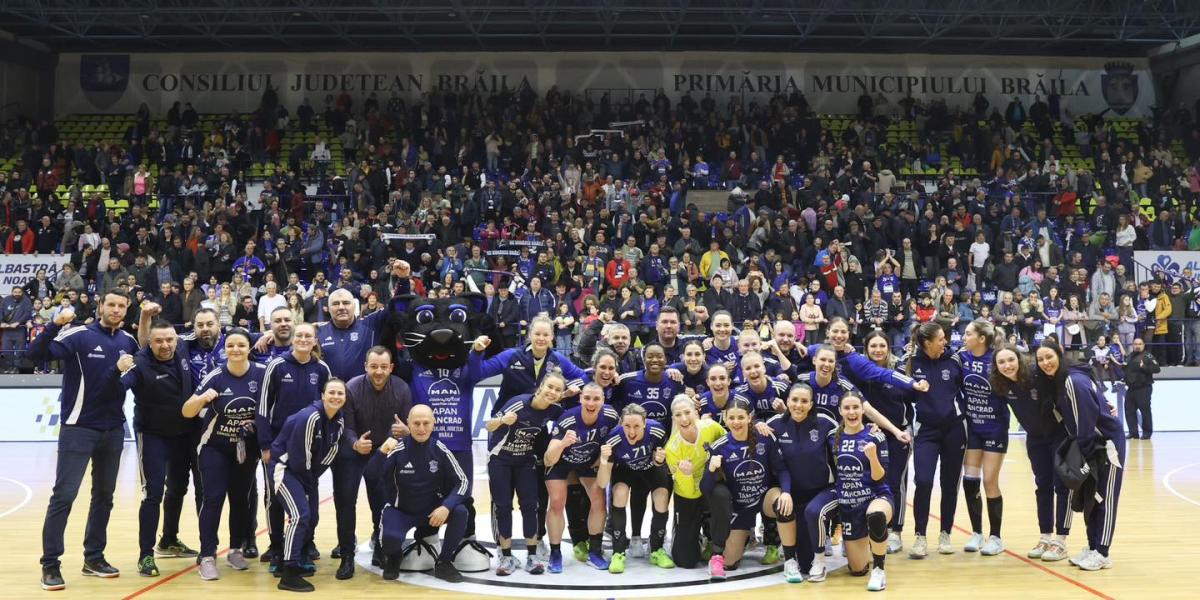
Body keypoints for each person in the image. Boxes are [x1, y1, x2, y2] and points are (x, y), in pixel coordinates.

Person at [29, 291, 139, 591]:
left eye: (121, 306)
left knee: (104, 497)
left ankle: (94, 558)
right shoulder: (78, 335)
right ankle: (50, 563)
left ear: (126, 309)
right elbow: (35, 354)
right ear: (100, 306)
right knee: (64, 496)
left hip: (113, 430)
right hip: (78, 428)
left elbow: (126, 383)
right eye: (111, 304)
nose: (115, 309)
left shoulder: (129, 342)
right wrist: (54, 324)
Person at [269, 378, 370, 592]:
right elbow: (299, 458)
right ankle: (288, 572)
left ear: (345, 398)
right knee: (299, 515)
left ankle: (296, 557)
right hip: (285, 469)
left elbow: (330, 453)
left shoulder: (339, 420)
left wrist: (311, 480)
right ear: (323, 396)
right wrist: (307, 485)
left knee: (312, 517)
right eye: (331, 392)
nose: (335, 397)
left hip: (307, 474)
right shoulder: (310, 417)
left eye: (340, 393)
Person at [181, 328, 265, 581]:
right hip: (214, 447)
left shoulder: (262, 373)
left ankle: (235, 550)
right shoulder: (216, 376)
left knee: (240, 499)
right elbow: (186, 411)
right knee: (214, 498)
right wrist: (201, 399)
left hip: (246, 448)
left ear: (249, 347)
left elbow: (272, 408)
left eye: (241, 345)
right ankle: (207, 555)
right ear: (224, 349)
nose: (235, 349)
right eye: (230, 345)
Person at [116, 319, 199, 577]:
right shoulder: (140, 363)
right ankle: (146, 555)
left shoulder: (182, 348)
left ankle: (169, 540)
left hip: (183, 434)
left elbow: (210, 332)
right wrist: (116, 370)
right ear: (149, 343)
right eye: (159, 341)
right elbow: (118, 387)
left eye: (169, 339)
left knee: (178, 488)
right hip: (152, 435)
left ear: (176, 340)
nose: (165, 345)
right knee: (153, 494)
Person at [1034, 340, 1125, 571]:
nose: (1045, 363)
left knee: (1105, 498)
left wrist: (1080, 457)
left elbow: (1084, 424)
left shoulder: (1072, 381)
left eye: (1049, 357)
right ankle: (1093, 547)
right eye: (1040, 359)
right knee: (1091, 498)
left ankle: (1102, 553)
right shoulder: (1064, 380)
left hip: (1106, 445)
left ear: (1060, 354)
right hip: (1090, 446)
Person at [257, 323, 332, 571]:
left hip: (309, 447)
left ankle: (304, 545)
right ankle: (277, 547)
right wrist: (265, 445)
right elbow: (263, 407)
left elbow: (329, 407)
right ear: (292, 339)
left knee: (309, 495)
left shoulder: (321, 369)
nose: (303, 339)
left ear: (315, 340)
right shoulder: (276, 366)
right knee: (274, 498)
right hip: (278, 446)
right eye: (299, 335)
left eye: (308, 336)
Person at [334, 346, 413, 578]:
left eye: (383, 367)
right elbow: (346, 427)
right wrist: (355, 443)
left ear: (391, 367)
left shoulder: (402, 389)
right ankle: (347, 555)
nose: (378, 371)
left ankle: (380, 547)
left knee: (382, 504)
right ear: (365, 367)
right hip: (353, 452)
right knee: (345, 503)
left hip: (384, 452)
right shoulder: (352, 388)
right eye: (374, 366)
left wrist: (401, 434)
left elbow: (403, 428)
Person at [991, 344, 1073, 562]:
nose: (1007, 365)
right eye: (1001, 362)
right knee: (1042, 486)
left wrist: (1103, 402)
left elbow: (1070, 375)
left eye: (1011, 360)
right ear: (996, 366)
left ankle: (1061, 540)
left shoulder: (1037, 375)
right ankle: (1045, 536)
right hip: (1035, 440)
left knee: (1061, 486)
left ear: (1019, 359)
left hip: (1059, 435)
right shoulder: (1001, 385)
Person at [701, 398, 794, 582]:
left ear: (749, 418)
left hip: (764, 496)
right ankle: (743, 537)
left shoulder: (764, 438)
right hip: (740, 506)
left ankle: (791, 560)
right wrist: (711, 470)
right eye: (732, 418)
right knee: (729, 563)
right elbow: (705, 489)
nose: (736, 422)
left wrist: (786, 492)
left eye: (741, 417)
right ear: (725, 419)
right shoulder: (720, 447)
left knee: (782, 505)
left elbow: (782, 469)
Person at [811, 390, 894, 591]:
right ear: (840, 411)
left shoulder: (876, 436)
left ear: (862, 410)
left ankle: (879, 571)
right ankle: (868, 543)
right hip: (848, 503)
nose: (851, 412)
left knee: (875, 515)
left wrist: (872, 457)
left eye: (855, 407)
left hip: (876, 495)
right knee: (857, 569)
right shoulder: (832, 436)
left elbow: (880, 477)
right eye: (846, 408)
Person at [376, 405, 469, 583]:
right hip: (401, 511)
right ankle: (394, 557)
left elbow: (463, 481)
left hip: (432, 513)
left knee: (460, 512)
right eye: (416, 423)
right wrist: (381, 452)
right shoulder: (397, 449)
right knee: (390, 540)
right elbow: (373, 475)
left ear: (434, 424)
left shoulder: (440, 449)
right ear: (408, 424)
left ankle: (444, 562)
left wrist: (446, 507)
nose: (421, 428)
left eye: (426, 423)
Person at [487, 372, 567, 575]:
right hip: (500, 459)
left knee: (530, 506)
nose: (553, 392)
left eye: (558, 390)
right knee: (503, 506)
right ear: (540, 386)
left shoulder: (554, 410)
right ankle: (505, 556)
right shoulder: (519, 403)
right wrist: (502, 420)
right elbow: (488, 425)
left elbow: (571, 419)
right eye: (550, 387)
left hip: (525, 461)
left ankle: (532, 556)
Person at [903, 322, 965, 558]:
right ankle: (920, 536)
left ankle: (945, 534)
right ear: (927, 343)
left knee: (949, 484)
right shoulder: (911, 361)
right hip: (926, 430)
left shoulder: (955, 360)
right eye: (940, 339)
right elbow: (902, 391)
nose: (945, 342)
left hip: (954, 430)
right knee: (924, 481)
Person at [766, 383, 837, 583]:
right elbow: (750, 433)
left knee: (806, 564)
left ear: (811, 404)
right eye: (794, 400)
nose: (798, 405)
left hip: (818, 492)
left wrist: (871, 428)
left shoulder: (825, 423)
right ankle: (789, 561)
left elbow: (849, 433)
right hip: (789, 492)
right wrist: (756, 425)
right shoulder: (775, 424)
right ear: (787, 401)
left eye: (804, 401)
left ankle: (822, 543)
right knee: (782, 503)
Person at [544, 382, 620, 570]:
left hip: (587, 462)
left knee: (599, 501)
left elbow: (617, 439)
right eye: (587, 398)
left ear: (603, 400)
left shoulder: (611, 416)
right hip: (560, 463)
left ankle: (594, 551)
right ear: (580, 399)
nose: (591, 403)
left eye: (596, 399)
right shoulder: (567, 419)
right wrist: (563, 443)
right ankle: (555, 553)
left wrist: (602, 458)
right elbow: (548, 459)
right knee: (556, 502)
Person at [596, 404, 675, 573]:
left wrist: (658, 460)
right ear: (621, 424)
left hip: (650, 468)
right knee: (619, 493)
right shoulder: (613, 439)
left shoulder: (657, 431)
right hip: (625, 470)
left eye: (637, 426)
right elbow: (602, 483)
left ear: (645, 423)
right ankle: (618, 553)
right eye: (627, 426)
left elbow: (660, 461)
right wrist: (603, 460)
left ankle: (656, 549)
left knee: (662, 496)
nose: (632, 431)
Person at [858, 331, 915, 553]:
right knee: (867, 482)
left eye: (882, 345)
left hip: (897, 435)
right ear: (866, 348)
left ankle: (895, 532)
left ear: (889, 347)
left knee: (895, 483)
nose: (878, 350)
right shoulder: (860, 372)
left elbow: (913, 399)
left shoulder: (900, 370)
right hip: (868, 436)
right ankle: (867, 531)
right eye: (873, 346)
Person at [958, 319, 1009, 556]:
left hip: (994, 428)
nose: (963, 337)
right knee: (970, 480)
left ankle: (995, 537)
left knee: (989, 481)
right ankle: (977, 533)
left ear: (981, 338)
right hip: (972, 428)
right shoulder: (961, 357)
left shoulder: (997, 360)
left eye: (968, 333)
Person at [663, 395, 726, 569]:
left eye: (687, 412)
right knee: (686, 561)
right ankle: (691, 535)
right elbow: (689, 492)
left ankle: (712, 536)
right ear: (673, 419)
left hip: (711, 485)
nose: (684, 419)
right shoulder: (672, 449)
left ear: (696, 413)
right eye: (678, 415)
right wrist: (686, 475)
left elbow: (729, 441)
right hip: (688, 494)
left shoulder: (710, 427)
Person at [1124, 338, 1159, 439]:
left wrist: (1144, 367)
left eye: (1139, 344)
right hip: (1131, 388)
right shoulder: (1130, 356)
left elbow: (1157, 369)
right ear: (1133, 345)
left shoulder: (1148, 356)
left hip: (1143, 388)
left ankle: (1147, 433)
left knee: (1145, 411)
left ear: (1143, 345)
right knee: (1129, 410)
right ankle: (1133, 433)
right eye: (1135, 344)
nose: (1137, 346)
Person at [0, 286, 33, 373]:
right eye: (15, 292)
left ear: (22, 293)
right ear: (12, 292)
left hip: (20, 330)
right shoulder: (6, 299)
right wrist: (1, 322)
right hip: (7, 330)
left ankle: (16, 368)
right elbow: (1, 311)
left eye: (19, 292)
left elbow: (27, 313)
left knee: (19, 351)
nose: (17, 294)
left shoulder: (26, 300)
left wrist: (18, 322)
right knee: (6, 350)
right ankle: (9, 367)